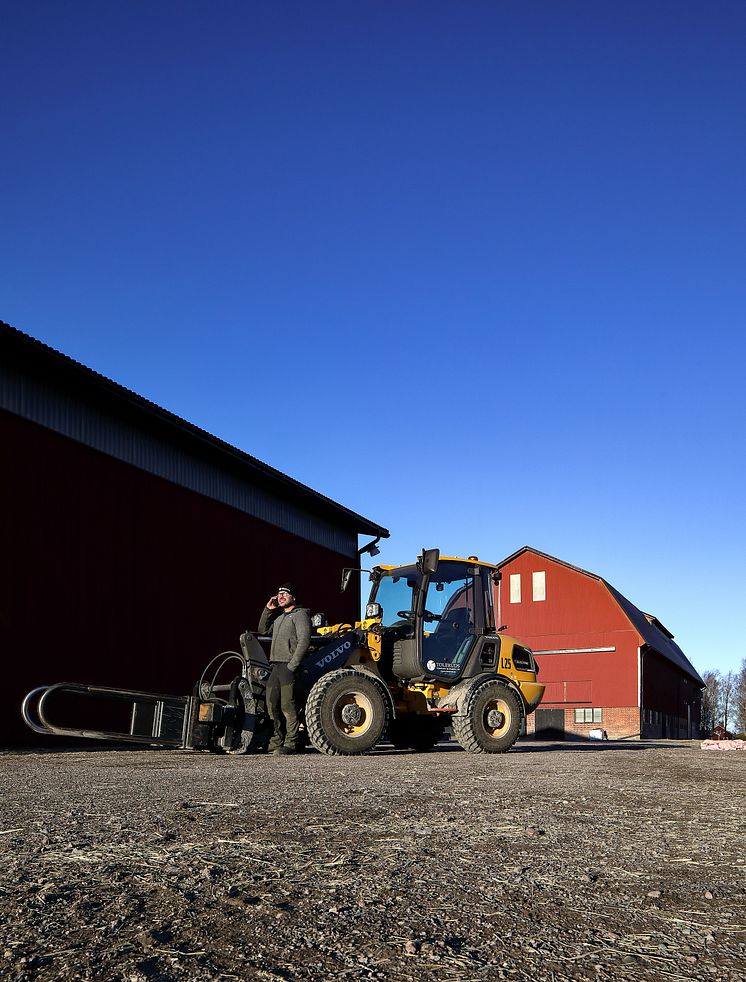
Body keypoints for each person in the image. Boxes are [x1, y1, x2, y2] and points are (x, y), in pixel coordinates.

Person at [258, 582, 311, 755]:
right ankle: (276, 741)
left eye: (285, 594)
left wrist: (292, 665)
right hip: (275, 666)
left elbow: (304, 640)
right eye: (279, 593)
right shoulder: (279, 618)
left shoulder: (300, 615)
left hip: (288, 667)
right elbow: (262, 630)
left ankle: (291, 743)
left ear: (293, 597)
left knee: (288, 706)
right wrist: (268, 609)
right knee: (272, 704)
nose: (280, 596)